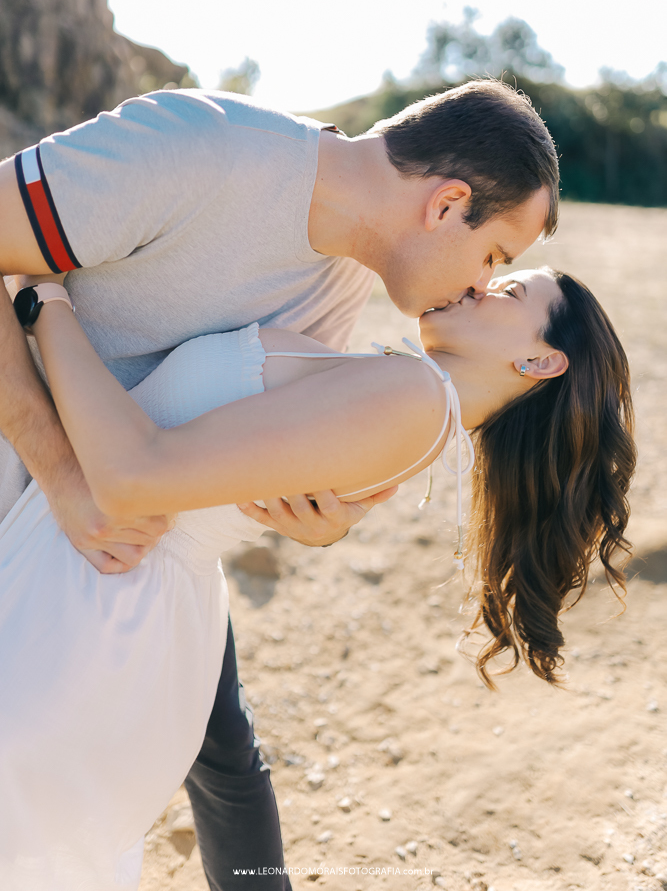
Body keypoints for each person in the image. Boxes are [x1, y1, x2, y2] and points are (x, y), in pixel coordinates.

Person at [0, 80, 559, 890]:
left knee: (221, 753)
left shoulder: (344, 275)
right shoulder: (196, 146)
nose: (479, 285)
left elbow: (242, 443)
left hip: (120, 547)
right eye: (494, 257)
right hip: (54, 501)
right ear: (445, 205)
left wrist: (313, 512)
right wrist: (59, 471)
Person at [0, 265, 634, 889]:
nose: (477, 284)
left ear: (542, 362)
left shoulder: (412, 403)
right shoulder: (405, 388)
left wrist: (45, 297)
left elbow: (133, 473)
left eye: (510, 290)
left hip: (94, 596)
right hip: (100, 572)